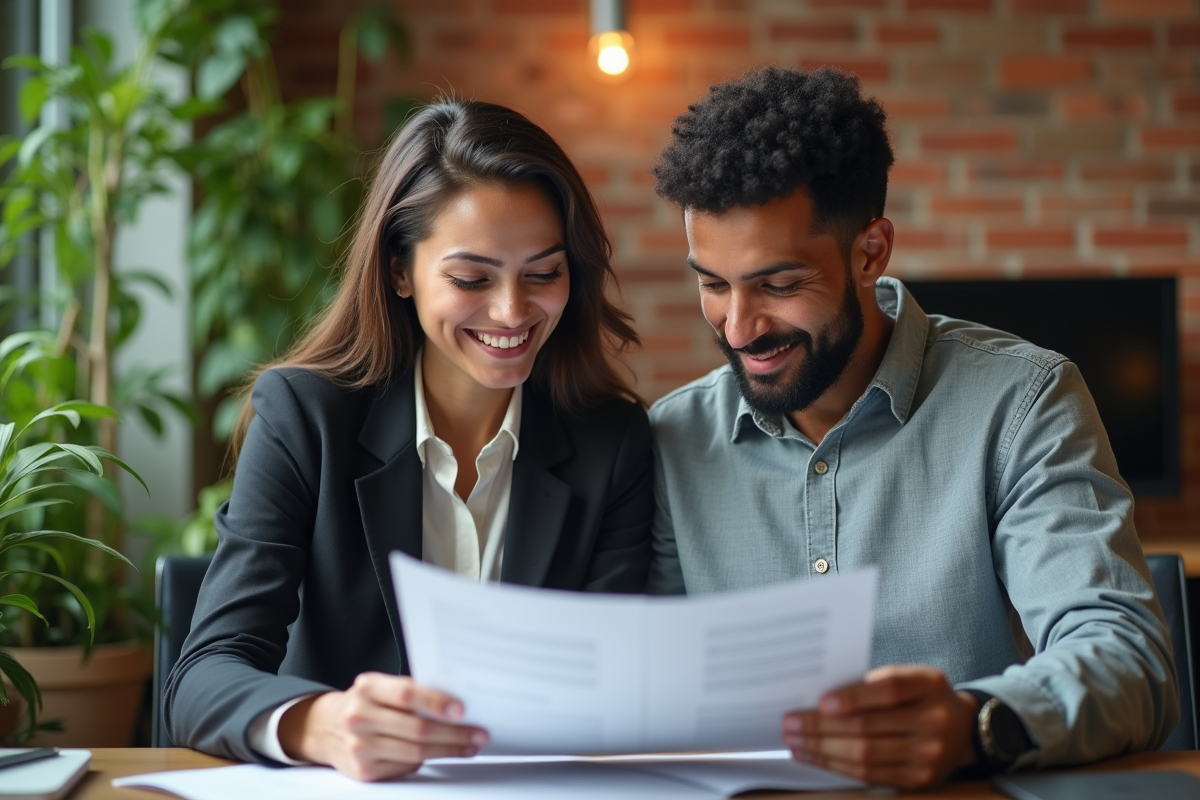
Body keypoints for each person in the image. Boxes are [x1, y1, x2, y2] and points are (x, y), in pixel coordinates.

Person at [646, 66, 1178, 789]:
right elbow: (642, 681)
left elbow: (1131, 665)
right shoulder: (671, 439)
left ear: (870, 253)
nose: (739, 327)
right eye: (712, 284)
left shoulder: (1022, 401)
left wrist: (974, 723)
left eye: (778, 284)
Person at [165, 100, 653, 781]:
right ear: (400, 271)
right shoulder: (305, 418)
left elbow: (615, 686)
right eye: (471, 278)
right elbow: (200, 680)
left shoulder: (614, 441)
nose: (513, 311)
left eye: (543, 273)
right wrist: (323, 723)